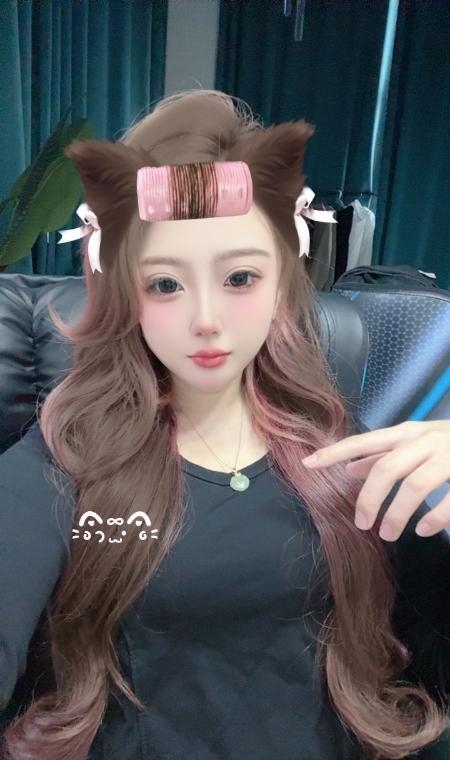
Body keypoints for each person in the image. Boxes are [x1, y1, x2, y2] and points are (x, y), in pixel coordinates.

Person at [0, 89, 449, 760]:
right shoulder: (68, 466)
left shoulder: (341, 449)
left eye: (239, 277)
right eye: (165, 284)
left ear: (280, 279)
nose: (205, 320)